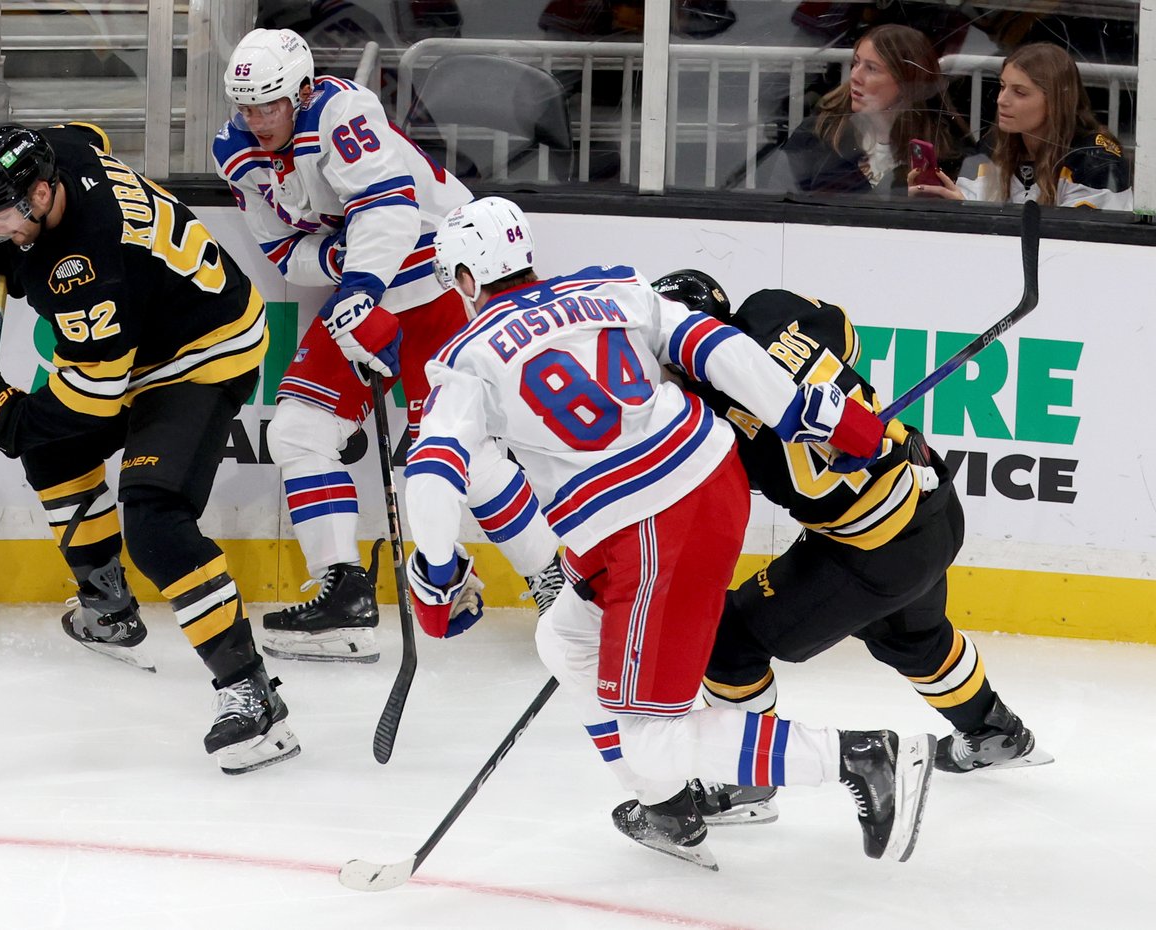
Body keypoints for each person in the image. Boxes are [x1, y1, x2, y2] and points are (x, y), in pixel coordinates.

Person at [403, 195, 937, 869]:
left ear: (467, 279)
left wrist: (437, 572)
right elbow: (722, 351)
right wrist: (820, 418)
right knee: (565, 637)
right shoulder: (610, 290)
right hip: (684, 491)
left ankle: (862, 757)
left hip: (655, 525)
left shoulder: (466, 358)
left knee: (652, 738)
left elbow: (431, 471)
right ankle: (669, 809)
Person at [0, 122, 299, 775]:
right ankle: (108, 606)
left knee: (156, 520)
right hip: (149, 333)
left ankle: (253, 700)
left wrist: (10, 421)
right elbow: (94, 134)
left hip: (204, 352)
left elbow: (93, 396)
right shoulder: (61, 152)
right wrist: (13, 243)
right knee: (57, 456)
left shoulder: (82, 265)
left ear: (43, 192)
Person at [212, 28, 564, 665]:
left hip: (433, 272)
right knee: (297, 430)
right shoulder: (234, 150)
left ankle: (553, 583)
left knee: (461, 448)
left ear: (302, 90)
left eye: (268, 105)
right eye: (246, 107)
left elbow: (392, 212)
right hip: (365, 285)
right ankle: (343, 588)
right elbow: (284, 252)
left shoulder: (344, 112)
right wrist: (351, 274)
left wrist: (360, 286)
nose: (256, 120)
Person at [649, 270, 1052, 822]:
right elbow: (847, 336)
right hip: (929, 498)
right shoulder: (771, 308)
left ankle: (749, 785)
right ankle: (996, 732)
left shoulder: (695, 417)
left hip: (869, 551)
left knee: (729, 644)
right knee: (913, 638)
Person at [910, 42, 1132, 210]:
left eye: (1020, 92)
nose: (1001, 100)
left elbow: (1076, 242)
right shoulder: (993, 144)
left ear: (1056, 101)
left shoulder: (1096, 159)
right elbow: (972, 210)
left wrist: (978, 215)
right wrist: (947, 205)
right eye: (1002, 87)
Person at [784, 24, 974, 196]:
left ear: (907, 82)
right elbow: (780, 200)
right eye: (856, 63)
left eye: (872, 69)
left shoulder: (947, 153)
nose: (855, 76)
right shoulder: (819, 131)